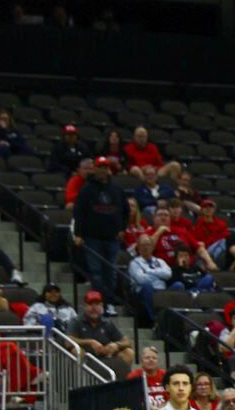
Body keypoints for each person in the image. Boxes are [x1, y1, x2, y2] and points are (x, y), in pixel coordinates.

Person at [72, 155, 126, 310]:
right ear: (95, 169)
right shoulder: (87, 190)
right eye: (100, 167)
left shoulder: (116, 190)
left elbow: (125, 210)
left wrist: (122, 228)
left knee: (111, 272)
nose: (103, 170)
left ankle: (108, 304)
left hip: (112, 238)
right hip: (92, 238)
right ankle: (96, 303)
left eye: (105, 167)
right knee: (96, 272)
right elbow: (79, 213)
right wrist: (79, 234)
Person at [66, 292, 135, 374]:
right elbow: (68, 342)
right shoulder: (76, 321)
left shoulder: (107, 322)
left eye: (97, 304)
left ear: (102, 306)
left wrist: (116, 345)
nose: (94, 308)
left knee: (128, 352)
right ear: (85, 306)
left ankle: (123, 381)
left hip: (106, 356)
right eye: (90, 304)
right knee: (76, 351)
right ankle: (83, 380)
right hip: (87, 356)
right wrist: (90, 342)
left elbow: (128, 342)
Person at [129, 235, 173, 318]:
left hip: (161, 290)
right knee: (147, 286)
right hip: (143, 291)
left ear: (152, 247)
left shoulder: (160, 261)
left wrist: (149, 271)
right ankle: (155, 319)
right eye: (143, 245)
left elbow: (168, 274)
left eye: (148, 245)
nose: (145, 247)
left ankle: (171, 318)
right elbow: (141, 279)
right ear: (138, 247)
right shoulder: (134, 263)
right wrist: (160, 276)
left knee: (178, 285)